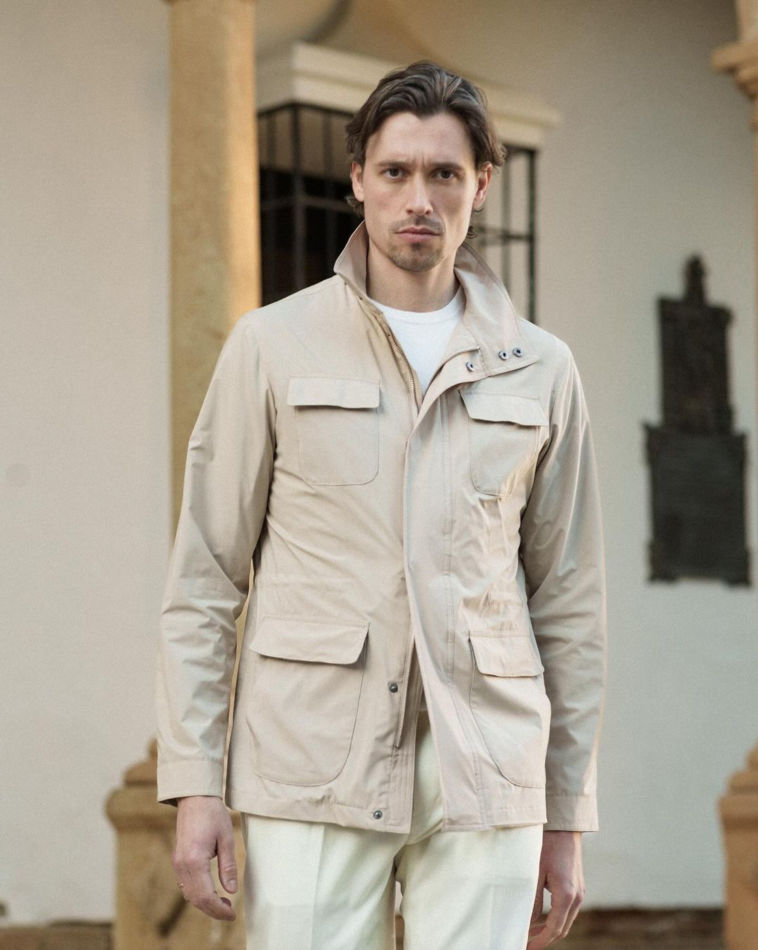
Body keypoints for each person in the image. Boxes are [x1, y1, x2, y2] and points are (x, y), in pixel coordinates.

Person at [156, 61, 606, 950]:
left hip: (488, 770)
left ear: (481, 184)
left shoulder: (543, 369)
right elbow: (205, 580)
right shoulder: (271, 345)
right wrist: (195, 779)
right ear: (358, 178)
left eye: (445, 173)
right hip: (310, 760)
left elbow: (570, 603)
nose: (419, 199)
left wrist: (566, 810)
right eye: (396, 171)